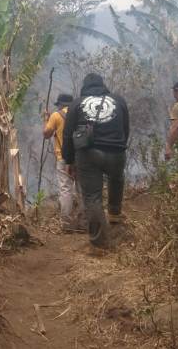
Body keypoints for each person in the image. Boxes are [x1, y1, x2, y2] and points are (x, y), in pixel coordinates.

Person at [61, 73, 130, 248]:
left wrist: (69, 160)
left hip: (88, 154)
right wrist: (120, 146)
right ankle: (115, 219)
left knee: (92, 197)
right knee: (116, 180)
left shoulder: (76, 104)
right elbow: (126, 128)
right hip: (116, 151)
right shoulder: (119, 101)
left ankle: (99, 243)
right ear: (103, 84)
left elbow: (67, 135)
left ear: (84, 86)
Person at [43, 93, 85, 231]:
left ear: (60, 104)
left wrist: (46, 120)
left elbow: (46, 134)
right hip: (81, 156)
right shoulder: (81, 114)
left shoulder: (56, 116)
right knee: (82, 189)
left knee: (66, 189)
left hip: (63, 158)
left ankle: (67, 224)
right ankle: (84, 222)